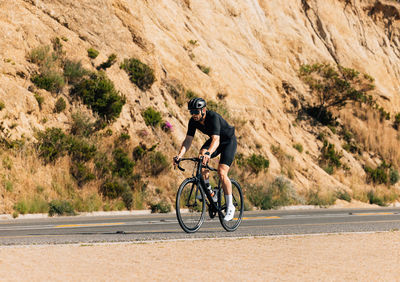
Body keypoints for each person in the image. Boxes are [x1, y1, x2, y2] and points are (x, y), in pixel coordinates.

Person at [173, 98, 237, 221]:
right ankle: (209, 192)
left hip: (228, 141)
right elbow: (188, 140)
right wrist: (179, 155)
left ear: (203, 110)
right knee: (201, 155)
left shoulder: (213, 117)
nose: (194, 115)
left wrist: (208, 153)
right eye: (191, 112)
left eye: (196, 112)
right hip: (215, 141)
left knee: (222, 172)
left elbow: (216, 140)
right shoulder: (193, 121)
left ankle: (230, 207)